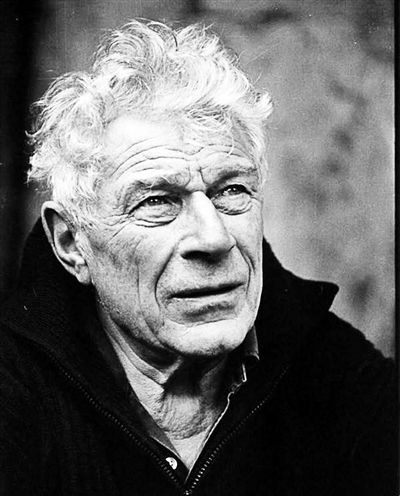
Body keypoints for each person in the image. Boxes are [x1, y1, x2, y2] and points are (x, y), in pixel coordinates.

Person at [0, 19, 396, 496]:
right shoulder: (14, 389)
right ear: (71, 243)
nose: (214, 238)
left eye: (231, 190)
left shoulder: (329, 366)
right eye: (156, 201)